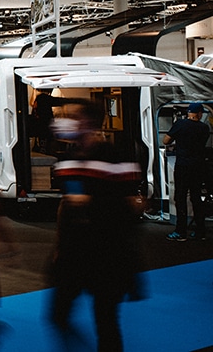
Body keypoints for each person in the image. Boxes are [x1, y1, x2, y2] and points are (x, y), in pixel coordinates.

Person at [49, 100, 144, 352]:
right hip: (73, 252)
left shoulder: (115, 156)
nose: (65, 121)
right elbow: (65, 205)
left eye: (73, 117)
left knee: (106, 318)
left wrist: (93, 202)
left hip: (107, 253)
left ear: (89, 123)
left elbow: (132, 206)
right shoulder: (66, 160)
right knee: (57, 315)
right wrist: (59, 246)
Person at [163, 102, 210, 241]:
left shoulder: (180, 124)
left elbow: (166, 140)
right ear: (199, 114)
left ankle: (180, 231)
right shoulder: (204, 128)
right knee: (196, 198)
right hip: (198, 166)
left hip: (183, 166)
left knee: (180, 198)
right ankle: (200, 231)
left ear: (189, 113)